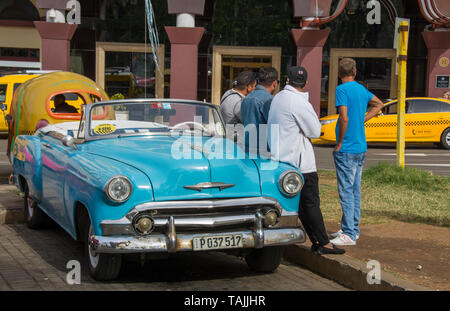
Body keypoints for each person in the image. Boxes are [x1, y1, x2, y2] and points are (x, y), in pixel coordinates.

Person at [268, 66, 345, 255]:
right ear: (306, 83)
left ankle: (318, 240)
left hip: (281, 159)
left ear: (287, 80)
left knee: (300, 206)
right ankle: (323, 243)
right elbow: (315, 130)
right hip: (300, 162)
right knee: (311, 203)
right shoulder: (298, 101)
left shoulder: (278, 98)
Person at [330, 58, 383, 246]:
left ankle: (349, 233)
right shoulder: (361, 89)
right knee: (354, 190)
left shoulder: (341, 90)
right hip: (360, 146)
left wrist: (340, 142)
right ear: (355, 71)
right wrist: (362, 119)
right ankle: (352, 228)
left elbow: (343, 117)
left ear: (338, 74)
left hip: (347, 148)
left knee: (346, 190)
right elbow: (379, 104)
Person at [241, 66, 279, 155]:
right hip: (263, 150)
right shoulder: (269, 100)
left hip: (247, 147)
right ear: (274, 83)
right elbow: (274, 125)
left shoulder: (246, 98)